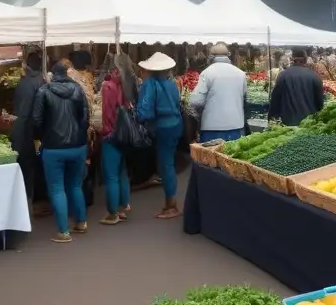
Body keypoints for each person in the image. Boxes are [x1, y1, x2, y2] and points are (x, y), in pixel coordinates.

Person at [32, 61, 89, 243]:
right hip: (78, 146)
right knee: (75, 186)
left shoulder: (43, 91)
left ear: (51, 74)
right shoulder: (78, 90)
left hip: (53, 148)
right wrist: (79, 135)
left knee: (57, 189)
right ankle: (81, 222)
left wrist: (42, 137)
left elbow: (36, 121)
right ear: (67, 73)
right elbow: (85, 117)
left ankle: (64, 232)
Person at [136, 51, 184, 219]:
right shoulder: (171, 83)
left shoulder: (149, 84)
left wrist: (138, 117)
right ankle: (170, 202)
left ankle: (171, 206)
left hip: (162, 127)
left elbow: (144, 110)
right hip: (176, 124)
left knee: (166, 165)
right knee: (167, 162)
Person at [10, 51, 47, 214]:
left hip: (29, 134)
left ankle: (28, 206)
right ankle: (41, 202)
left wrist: (16, 142)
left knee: (29, 170)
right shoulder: (44, 81)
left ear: (26, 64)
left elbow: (23, 115)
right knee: (38, 168)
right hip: (43, 133)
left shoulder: (26, 84)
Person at [188, 44, 248, 143]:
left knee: (210, 157)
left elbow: (195, 102)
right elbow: (246, 99)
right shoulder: (241, 74)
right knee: (231, 157)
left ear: (211, 56)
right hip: (236, 127)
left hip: (211, 128)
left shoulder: (207, 73)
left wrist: (197, 119)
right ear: (228, 56)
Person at [98, 57, 133, 225]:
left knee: (111, 175)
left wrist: (105, 131)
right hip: (125, 135)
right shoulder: (126, 86)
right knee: (122, 172)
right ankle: (123, 207)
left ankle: (112, 214)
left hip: (111, 135)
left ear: (115, 70)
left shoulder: (108, 86)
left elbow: (107, 113)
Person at [269, 49, 325, 126]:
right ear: (305, 60)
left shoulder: (283, 75)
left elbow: (275, 100)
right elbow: (320, 103)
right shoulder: (315, 76)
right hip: (309, 123)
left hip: (288, 123)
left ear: (292, 59)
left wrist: (271, 120)